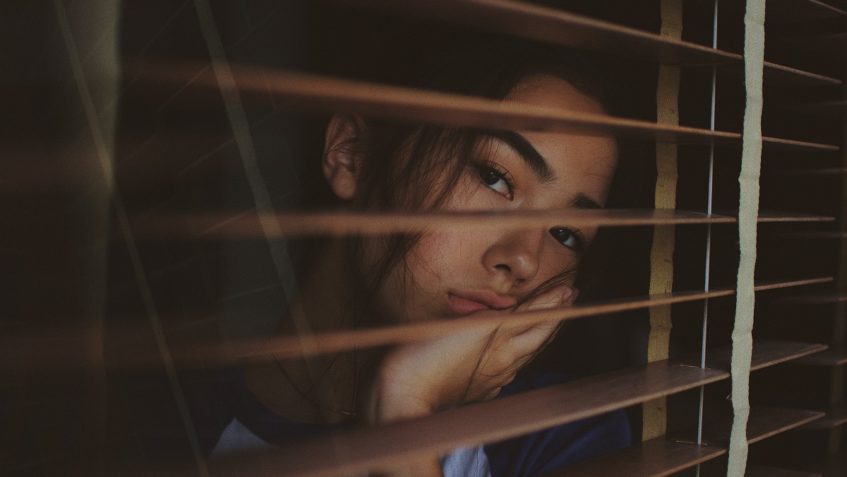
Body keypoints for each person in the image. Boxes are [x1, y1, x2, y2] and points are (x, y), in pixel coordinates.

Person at [203, 36, 631, 476]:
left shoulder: (563, 438)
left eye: (566, 233)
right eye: (495, 178)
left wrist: (403, 409)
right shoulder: (172, 420)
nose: (525, 261)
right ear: (352, 155)